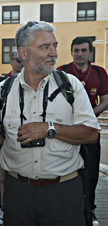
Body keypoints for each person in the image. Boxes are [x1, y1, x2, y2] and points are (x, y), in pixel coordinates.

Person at [0, 21, 100, 226]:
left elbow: (92, 134)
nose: (53, 53)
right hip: (17, 193)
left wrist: (50, 129)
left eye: (55, 46)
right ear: (23, 53)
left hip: (64, 192)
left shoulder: (70, 85)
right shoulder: (3, 91)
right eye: (45, 47)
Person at [56, 37, 108, 226]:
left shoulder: (99, 72)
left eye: (83, 51)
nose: (79, 54)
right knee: (66, 171)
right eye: (76, 50)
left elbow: (106, 100)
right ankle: (65, 209)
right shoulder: (61, 72)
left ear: (90, 53)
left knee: (91, 174)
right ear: (71, 52)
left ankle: (89, 210)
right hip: (66, 131)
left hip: (89, 130)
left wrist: (88, 115)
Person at [0, 50, 23, 225]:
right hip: (5, 141)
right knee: (3, 178)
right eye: (18, 59)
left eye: (23, 59)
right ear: (10, 61)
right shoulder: (0, 84)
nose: (21, 63)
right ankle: (2, 209)